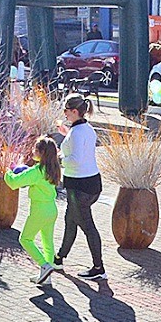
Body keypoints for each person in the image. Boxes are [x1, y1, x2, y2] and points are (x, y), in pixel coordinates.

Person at [55, 95, 106, 280]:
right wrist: (65, 133)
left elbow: (75, 159)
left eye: (66, 111)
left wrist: (59, 158)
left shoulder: (76, 132)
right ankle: (60, 257)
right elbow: (80, 146)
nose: (65, 114)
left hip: (80, 187)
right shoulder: (85, 128)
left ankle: (98, 268)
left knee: (87, 226)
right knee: (70, 220)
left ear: (74, 111)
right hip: (91, 184)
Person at [6, 136, 63, 287]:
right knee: (48, 243)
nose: (33, 151)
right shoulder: (53, 169)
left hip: (39, 210)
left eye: (35, 149)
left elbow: (14, 183)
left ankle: (44, 266)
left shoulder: (36, 171)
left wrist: (7, 171)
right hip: (52, 209)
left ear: (41, 153)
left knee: (25, 239)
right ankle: (46, 277)